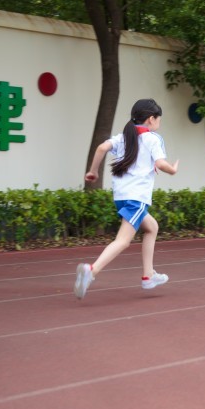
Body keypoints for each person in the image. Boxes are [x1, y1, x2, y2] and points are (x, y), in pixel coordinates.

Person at [74, 99, 179, 300]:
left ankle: (148, 276)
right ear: (151, 119)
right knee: (122, 241)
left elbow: (101, 148)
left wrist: (93, 171)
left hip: (121, 197)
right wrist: (172, 170)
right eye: (159, 119)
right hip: (136, 199)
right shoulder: (153, 139)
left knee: (152, 227)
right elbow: (160, 163)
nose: (159, 122)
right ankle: (91, 271)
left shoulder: (123, 137)